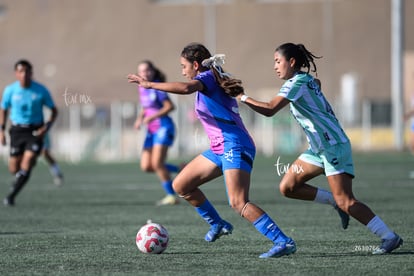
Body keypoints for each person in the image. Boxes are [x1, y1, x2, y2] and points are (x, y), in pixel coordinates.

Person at [127, 42, 296, 258]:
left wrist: (150, 84)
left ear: (196, 65)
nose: (182, 70)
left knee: (238, 202)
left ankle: (283, 241)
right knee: (181, 185)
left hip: (234, 145)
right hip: (220, 148)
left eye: (183, 65)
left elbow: (186, 88)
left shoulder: (205, 77)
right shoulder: (210, 77)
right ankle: (218, 224)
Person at [238, 42, 403, 255]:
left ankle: (389, 236)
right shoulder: (304, 80)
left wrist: (242, 97)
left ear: (292, 62)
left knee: (347, 201)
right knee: (288, 187)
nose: (275, 66)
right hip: (319, 149)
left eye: (278, 61)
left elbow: (270, 109)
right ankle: (334, 202)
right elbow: (316, 82)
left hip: (332, 146)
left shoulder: (296, 83)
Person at [1, 59, 58, 206]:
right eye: (21, 71)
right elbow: (3, 109)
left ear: (31, 73)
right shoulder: (10, 90)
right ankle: (21, 176)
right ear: (16, 73)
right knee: (14, 168)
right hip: (16, 131)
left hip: (35, 131)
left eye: (27, 71)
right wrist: (1, 130)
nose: (24, 74)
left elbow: (54, 110)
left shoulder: (41, 90)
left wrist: (46, 127)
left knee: (28, 159)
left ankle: (11, 196)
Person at [133, 60, 181, 206]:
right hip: (151, 130)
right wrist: (139, 118)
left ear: (153, 71)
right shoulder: (142, 88)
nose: (144, 73)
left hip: (163, 127)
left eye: (147, 70)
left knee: (157, 163)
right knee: (147, 166)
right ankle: (181, 169)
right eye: (141, 71)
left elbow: (170, 106)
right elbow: (145, 106)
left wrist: (153, 116)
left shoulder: (158, 87)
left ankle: (171, 196)